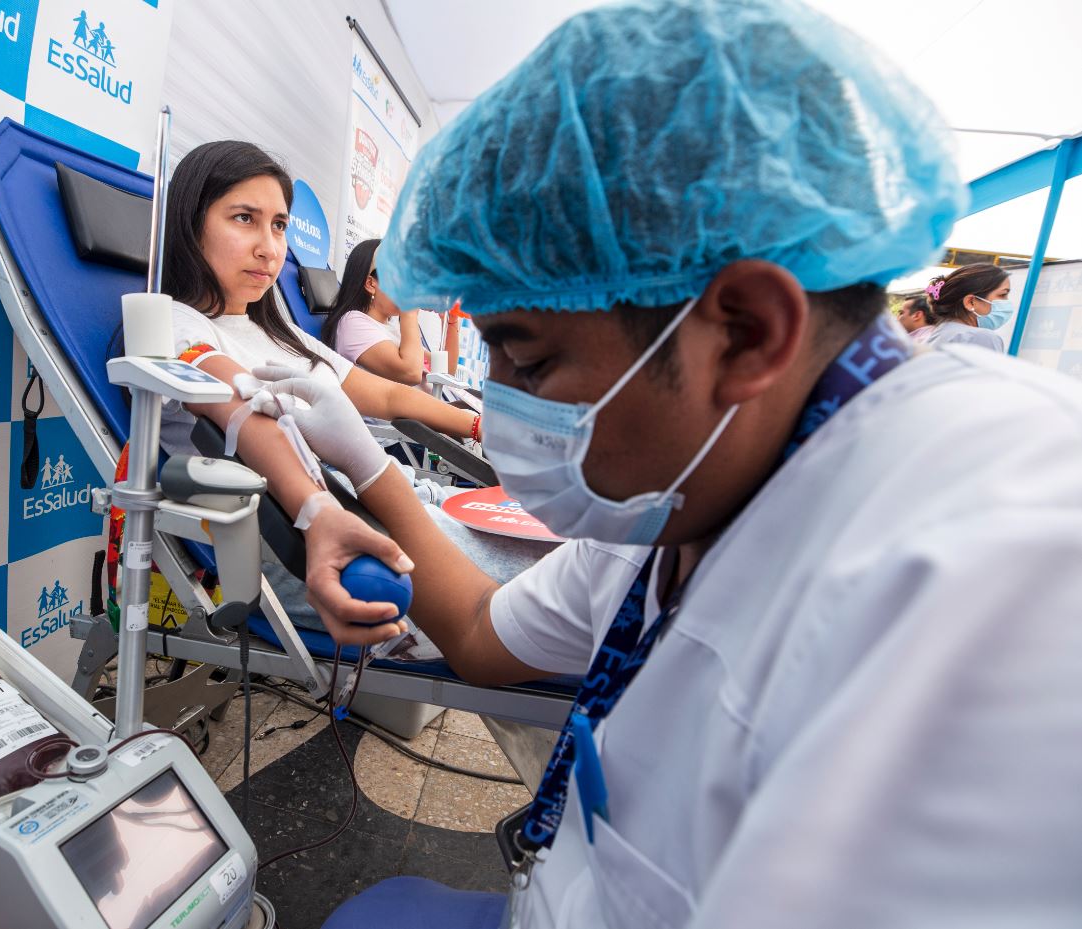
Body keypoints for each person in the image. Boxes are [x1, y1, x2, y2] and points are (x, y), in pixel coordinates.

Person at [274, 2, 1082, 926]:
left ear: (745, 332)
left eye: (531, 361)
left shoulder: (1011, 574)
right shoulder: (695, 481)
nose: (498, 416)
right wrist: (356, 476)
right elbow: (480, 635)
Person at [104, 140, 539, 632]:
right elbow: (246, 412)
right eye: (243, 218)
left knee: (562, 555)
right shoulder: (178, 326)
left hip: (389, 503)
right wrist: (319, 511)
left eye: (279, 225)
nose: (269, 248)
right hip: (330, 548)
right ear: (191, 223)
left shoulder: (278, 329)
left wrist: (481, 425)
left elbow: (389, 395)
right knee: (558, 599)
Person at [321, 238, 461, 388]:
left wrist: (451, 321)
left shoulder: (392, 328)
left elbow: (446, 371)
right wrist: (409, 311)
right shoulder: (352, 323)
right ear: (370, 284)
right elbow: (411, 373)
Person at [920, 263, 1013, 351]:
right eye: (1003, 294)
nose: (1007, 301)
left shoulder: (937, 335)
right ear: (970, 302)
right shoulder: (980, 338)